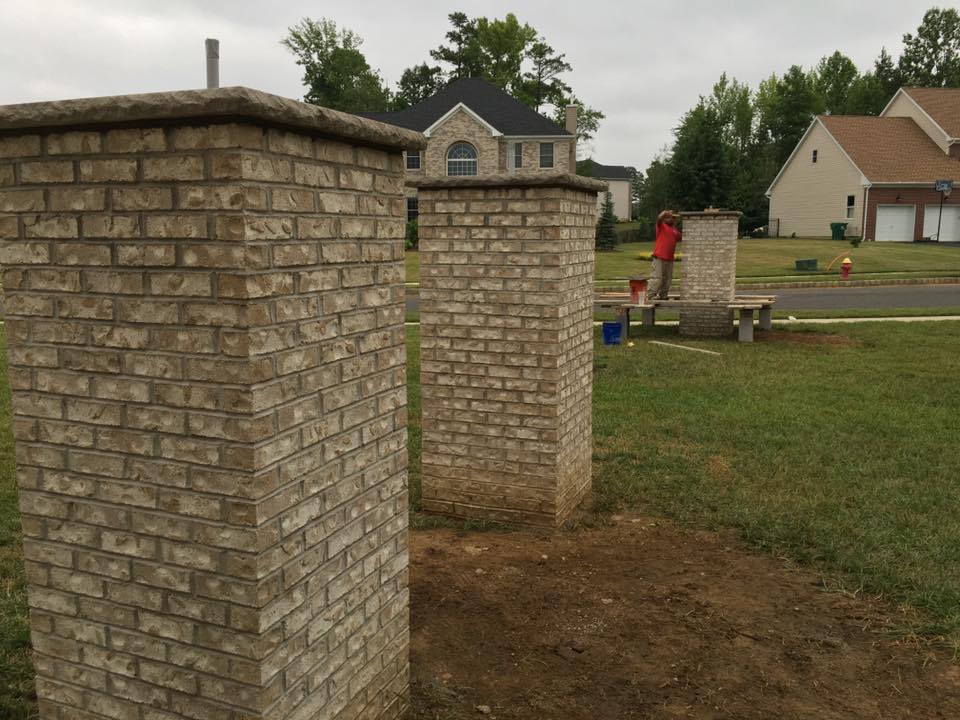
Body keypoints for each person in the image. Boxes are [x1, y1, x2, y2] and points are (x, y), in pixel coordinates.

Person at [648, 210, 681, 300]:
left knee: (667, 279)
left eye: (673, 218)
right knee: (657, 278)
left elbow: (680, 237)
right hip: (659, 257)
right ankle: (651, 295)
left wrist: (675, 220)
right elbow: (659, 218)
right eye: (670, 217)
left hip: (669, 258)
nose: (672, 219)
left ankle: (663, 295)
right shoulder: (661, 226)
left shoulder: (675, 230)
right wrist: (665, 213)